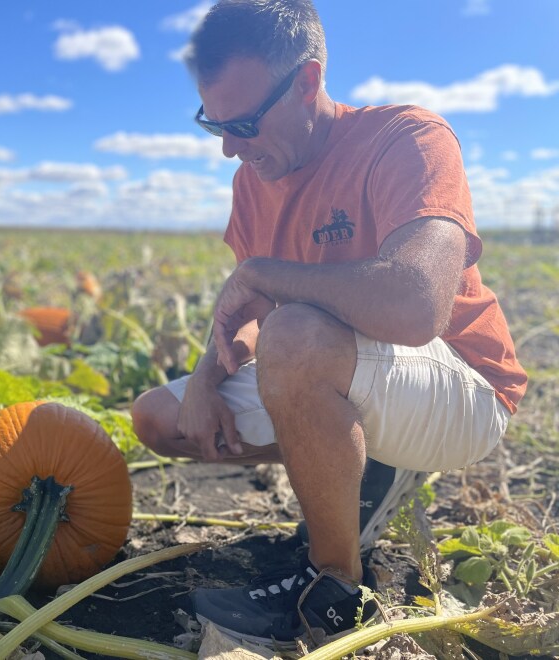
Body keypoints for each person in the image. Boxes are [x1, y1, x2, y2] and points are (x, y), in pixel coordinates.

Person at [130, 0, 527, 649]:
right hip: (348, 370)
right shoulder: (254, 179)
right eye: (214, 124)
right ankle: (361, 470)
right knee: (158, 416)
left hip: (463, 388)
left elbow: (415, 306)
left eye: (245, 123)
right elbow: (252, 314)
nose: (231, 147)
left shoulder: (408, 139)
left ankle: (335, 585)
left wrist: (266, 276)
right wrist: (207, 375)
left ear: (309, 81)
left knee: (298, 337)